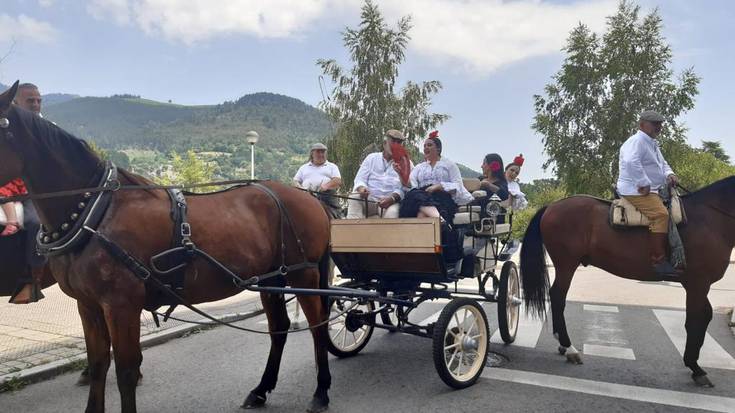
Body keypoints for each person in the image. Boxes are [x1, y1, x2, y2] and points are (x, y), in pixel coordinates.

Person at [616, 110, 680, 277]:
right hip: (635, 189)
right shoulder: (637, 141)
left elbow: (662, 164)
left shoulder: (652, 143)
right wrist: (643, 183)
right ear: (642, 124)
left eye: (660, 124)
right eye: (655, 124)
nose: (659, 127)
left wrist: (669, 174)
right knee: (661, 215)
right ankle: (658, 260)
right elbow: (631, 162)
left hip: (652, 188)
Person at [0, 82, 47, 303]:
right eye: (31, 100)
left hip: (30, 189)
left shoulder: (46, 128)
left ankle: (31, 280)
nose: (36, 104)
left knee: (35, 222)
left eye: (39, 100)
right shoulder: (7, 127)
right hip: (7, 184)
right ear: (16, 103)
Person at [399, 131, 472, 224]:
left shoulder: (449, 165)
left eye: (429, 145)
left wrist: (438, 186)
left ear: (438, 149)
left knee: (422, 215)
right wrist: (400, 173)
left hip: (442, 198)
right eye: (424, 146)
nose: (426, 148)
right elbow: (411, 185)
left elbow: (458, 186)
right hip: (422, 196)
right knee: (413, 194)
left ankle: (438, 220)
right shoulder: (419, 167)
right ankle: (438, 218)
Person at [347, 129, 411, 219]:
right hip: (370, 200)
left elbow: (407, 188)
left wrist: (392, 198)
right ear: (385, 144)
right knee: (355, 197)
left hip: (391, 204)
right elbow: (360, 179)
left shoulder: (407, 163)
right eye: (393, 142)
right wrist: (362, 189)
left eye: (399, 143)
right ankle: (352, 231)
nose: (396, 146)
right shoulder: (371, 158)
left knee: (393, 213)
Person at [293, 143, 342, 217]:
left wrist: (326, 186)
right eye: (318, 152)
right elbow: (295, 181)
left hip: (326, 197)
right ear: (312, 154)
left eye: (323, 152)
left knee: (333, 214)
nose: (321, 154)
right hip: (306, 197)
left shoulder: (332, 167)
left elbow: (337, 180)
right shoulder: (304, 167)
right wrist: (301, 188)